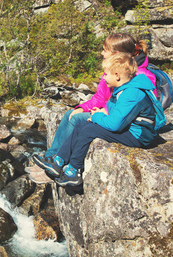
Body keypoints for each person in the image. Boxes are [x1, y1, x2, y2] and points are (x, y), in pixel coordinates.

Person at [25, 33, 156, 175]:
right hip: (112, 114)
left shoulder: (140, 75)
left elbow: (139, 105)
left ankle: (60, 165)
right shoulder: (112, 70)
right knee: (71, 113)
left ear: (116, 54)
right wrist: (83, 107)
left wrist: (102, 112)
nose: (102, 53)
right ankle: (51, 158)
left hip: (123, 121)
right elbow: (100, 96)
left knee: (77, 120)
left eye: (105, 50)